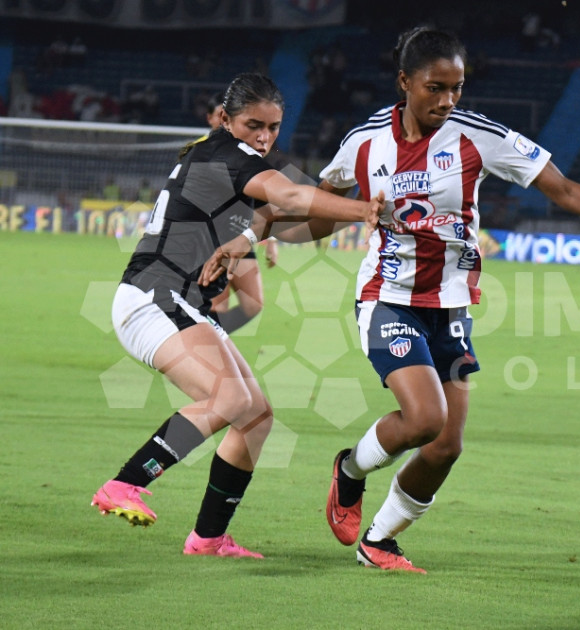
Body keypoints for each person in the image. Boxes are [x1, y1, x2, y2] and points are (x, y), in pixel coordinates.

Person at [203, 26, 580, 574]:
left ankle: (379, 543)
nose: (447, 100)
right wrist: (250, 237)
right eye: (435, 87)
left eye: (457, 88)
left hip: (450, 304)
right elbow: (319, 212)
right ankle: (350, 470)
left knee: (446, 446)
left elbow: (561, 189)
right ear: (405, 82)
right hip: (387, 296)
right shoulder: (365, 141)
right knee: (424, 419)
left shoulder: (478, 137)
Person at [91, 73, 380, 558]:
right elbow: (289, 198)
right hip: (153, 296)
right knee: (226, 397)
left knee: (255, 415)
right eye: (253, 125)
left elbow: (300, 226)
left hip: (180, 303)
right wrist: (368, 210)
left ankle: (208, 538)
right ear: (225, 119)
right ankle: (126, 483)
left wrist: (336, 200)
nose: (264, 137)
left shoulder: (240, 163)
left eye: (273, 127)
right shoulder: (220, 153)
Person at [202, 91, 280, 333]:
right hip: (216, 238)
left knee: (253, 304)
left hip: (242, 236)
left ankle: (211, 344)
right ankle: (203, 355)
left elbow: (260, 200)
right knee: (218, 305)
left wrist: (270, 239)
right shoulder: (202, 152)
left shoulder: (250, 155)